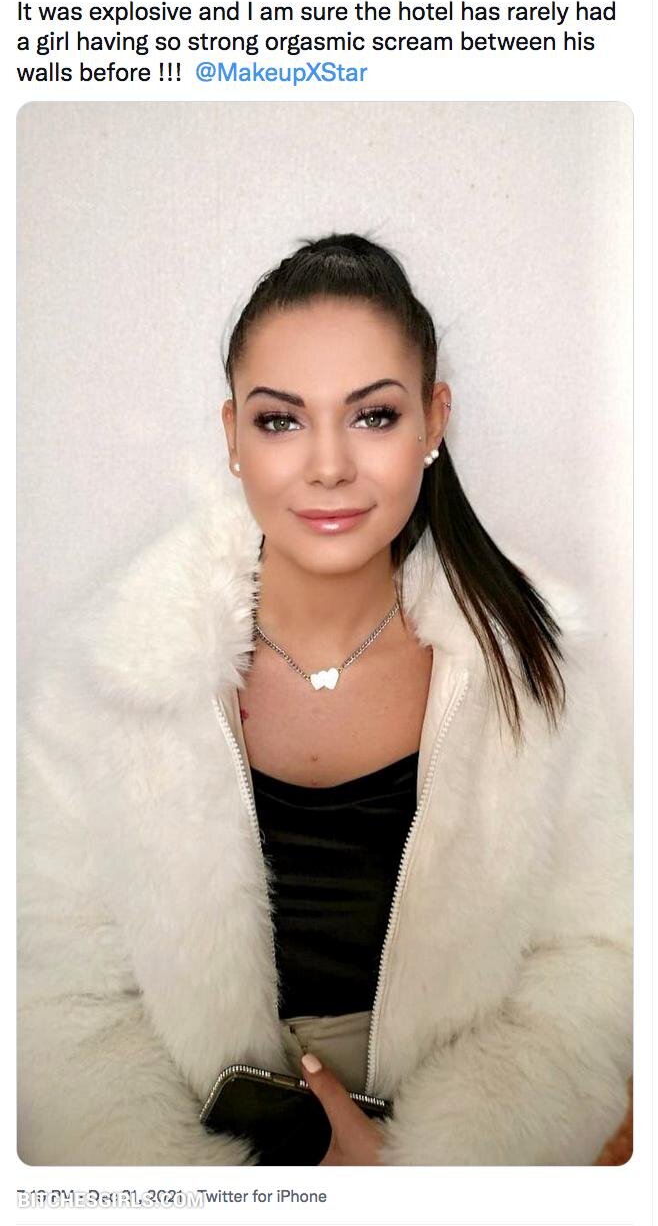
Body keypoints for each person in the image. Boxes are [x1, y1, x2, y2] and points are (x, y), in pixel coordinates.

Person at [18, 233, 632, 1167]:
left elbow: (594, 964)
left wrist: (424, 1180)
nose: (330, 465)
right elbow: (56, 992)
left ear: (434, 421)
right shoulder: (108, 674)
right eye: (281, 421)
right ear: (232, 436)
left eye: (374, 415)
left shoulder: (534, 666)